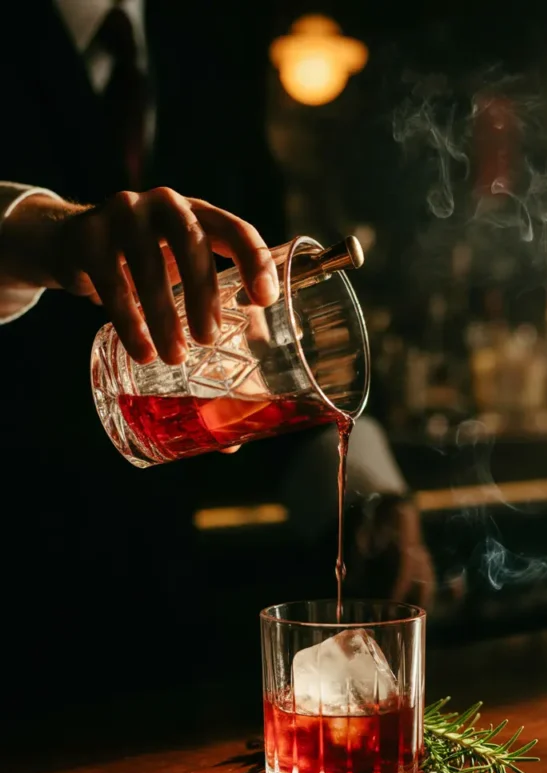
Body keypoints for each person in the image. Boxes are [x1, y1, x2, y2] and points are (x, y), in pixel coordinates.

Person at [0, 2, 434, 716]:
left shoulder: (207, 37)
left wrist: (371, 496)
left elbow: (270, 308)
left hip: (151, 609)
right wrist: (49, 237)